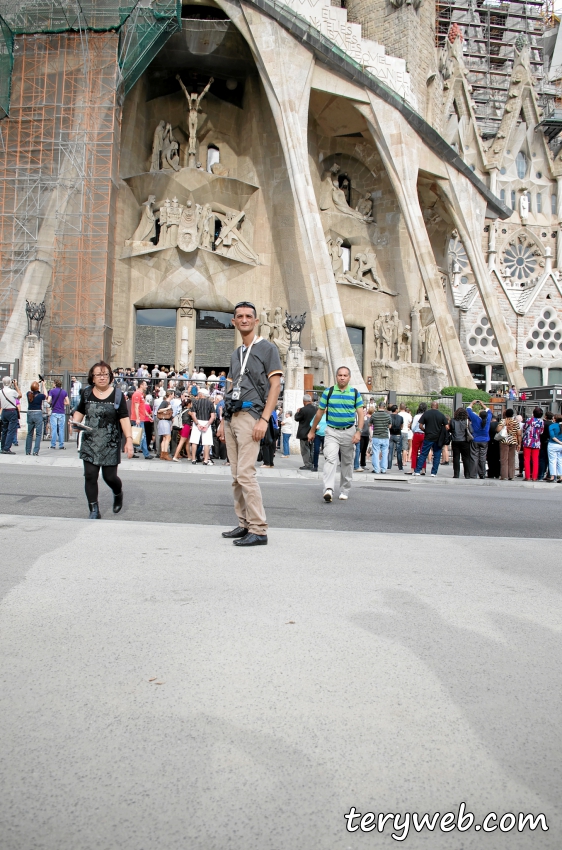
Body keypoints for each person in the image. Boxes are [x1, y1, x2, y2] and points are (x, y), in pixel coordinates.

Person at [217, 300, 282, 545]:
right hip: (232, 416)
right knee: (236, 475)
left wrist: (264, 419)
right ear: (234, 322)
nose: (244, 320)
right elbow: (231, 387)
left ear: (256, 321)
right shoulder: (237, 353)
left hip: (252, 415)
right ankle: (244, 524)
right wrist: (223, 419)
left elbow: (275, 385)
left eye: (248, 316)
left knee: (246, 473)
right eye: (239, 316)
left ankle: (259, 529)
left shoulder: (267, 349)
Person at [72, 361, 134, 518]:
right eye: (98, 375)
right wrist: (74, 423)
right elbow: (80, 411)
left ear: (110, 377)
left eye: (105, 374)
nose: (102, 378)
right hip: (90, 441)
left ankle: (117, 492)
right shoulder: (86, 393)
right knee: (90, 475)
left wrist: (129, 439)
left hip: (110, 442)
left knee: (109, 477)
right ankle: (94, 509)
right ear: (92, 378)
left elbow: (124, 418)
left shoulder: (117, 394)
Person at [308, 366, 364, 502]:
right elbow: (320, 412)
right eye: (340, 375)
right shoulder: (329, 392)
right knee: (330, 459)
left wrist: (358, 432)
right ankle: (328, 489)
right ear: (336, 377)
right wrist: (312, 430)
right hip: (331, 431)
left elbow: (361, 413)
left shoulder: (355, 393)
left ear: (349, 377)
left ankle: (345, 489)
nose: (342, 377)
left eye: (345, 375)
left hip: (349, 431)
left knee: (347, 462)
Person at [413, 401, 449, 478]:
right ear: (437, 406)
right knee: (437, 455)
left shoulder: (426, 414)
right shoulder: (441, 415)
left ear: (431, 406)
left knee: (423, 454)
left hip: (428, 437)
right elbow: (447, 427)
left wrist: (425, 431)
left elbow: (420, 425)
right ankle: (434, 473)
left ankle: (417, 471)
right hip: (438, 438)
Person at [190, 386, 216, 465]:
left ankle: (193, 459)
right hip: (206, 422)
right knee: (207, 442)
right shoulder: (210, 403)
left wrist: (197, 424)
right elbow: (213, 416)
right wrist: (207, 425)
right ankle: (205, 460)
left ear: (201, 394)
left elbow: (193, 414)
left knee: (194, 441)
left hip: (197, 422)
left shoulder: (195, 403)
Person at [467, 400, 492, 479]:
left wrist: (472, 403)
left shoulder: (475, 419)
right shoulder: (488, 419)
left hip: (475, 440)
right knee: (482, 457)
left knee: (474, 457)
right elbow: (489, 411)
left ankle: (473, 474)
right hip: (485, 440)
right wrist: (483, 404)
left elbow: (468, 410)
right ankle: (482, 474)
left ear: (479, 415)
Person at [131, 380, 154, 460]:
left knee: (140, 436)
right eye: (145, 385)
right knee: (141, 436)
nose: (146, 386)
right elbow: (136, 407)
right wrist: (137, 418)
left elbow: (142, 408)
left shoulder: (140, 394)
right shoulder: (137, 394)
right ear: (141, 385)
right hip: (138, 419)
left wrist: (148, 416)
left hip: (140, 418)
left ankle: (144, 453)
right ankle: (144, 453)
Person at [496, 408, 521, 480]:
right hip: (513, 441)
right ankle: (511, 475)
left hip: (504, 441)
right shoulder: (516, 422)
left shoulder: (503, 421)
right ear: (513, 414)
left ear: (506, 414)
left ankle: (504, 475)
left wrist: (504, 426)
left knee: (504, 459)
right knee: (511, 459)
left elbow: (498, 430)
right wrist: (519, 444)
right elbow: (519, 434)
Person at [295, 394, 317, 470]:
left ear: (304, 401)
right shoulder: (315, 409)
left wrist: (297, 412)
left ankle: (307, 464)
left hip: (303, 432)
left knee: (305, 449)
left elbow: (297, 418)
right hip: (312, 431)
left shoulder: (303, 409)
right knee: (311, 448)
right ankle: (311, 462)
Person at [0, 375, 22, 454]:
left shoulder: (1, 391)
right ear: (10, 383)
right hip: (12, 411)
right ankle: (7, 448)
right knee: (11, 430)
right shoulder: (12, 391)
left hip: (4, 412)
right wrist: (16, 385)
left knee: (4, 430)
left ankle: (2, 447)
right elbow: (20, 395)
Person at [522, 407, 544, 481]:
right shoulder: (541, 422)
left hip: (527, 441)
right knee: (535, 460)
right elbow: (541, 432)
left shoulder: (529, 420)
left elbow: (524, 428)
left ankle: (527, 476)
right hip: (536, 442)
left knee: (527, 459)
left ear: (533, 413)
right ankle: (534, 477)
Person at [449, 407, 472, 479]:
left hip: (455, 440)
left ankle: (456, 474)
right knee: (466, 458)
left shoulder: (453, 420)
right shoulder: (467, 421)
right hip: (465, 441)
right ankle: (467, 474)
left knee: (456, 458)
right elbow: (471, 430)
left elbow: (451, 429)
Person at [26, 379, 47, 455]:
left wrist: (36, 383)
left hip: (30, 413)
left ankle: (28, 451)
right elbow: (46, 395)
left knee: (29, 433)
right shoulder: (40, 396)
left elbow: (31, 390)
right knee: (38, 434)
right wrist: (43, 385)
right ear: (38, 388)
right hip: (38, 413)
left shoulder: (28, 394)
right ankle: (35, 451)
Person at [370, 402, 391, 474]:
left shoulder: (374, 415)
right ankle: (383, 469)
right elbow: (390, 426)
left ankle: (376, 469)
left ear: (378, 406)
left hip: (376, 436)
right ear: (384, 407)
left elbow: (370, 424)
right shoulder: (388, 416)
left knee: (375, 453)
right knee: (385, 453)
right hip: (385, 436)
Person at [48, 379, 69, 449]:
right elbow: (68, 402)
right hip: (62, 412)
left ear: (55, 384)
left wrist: (52, 403)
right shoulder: (64, 392)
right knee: (61, 429)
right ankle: (61, 445)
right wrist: (63, 403)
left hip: (54, 412)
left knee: (54, 429)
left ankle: (53, 445)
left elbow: (48, 401)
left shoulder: (52, 391)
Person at [172, 398, 193, 462]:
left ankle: (189, 456)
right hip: (186, 426)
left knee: (187, 442)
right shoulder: (189, 411)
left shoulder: (182, 410)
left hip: (181, 426)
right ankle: (175, 456)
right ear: (189, 404)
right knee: (182, 442)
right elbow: (194, 417)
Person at [157, 389, 174, 460]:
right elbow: (159, 410)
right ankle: (165, 453)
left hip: (164, 421)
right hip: (165, 421)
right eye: (173, 394)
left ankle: (163, 453)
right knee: (168, 437)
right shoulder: (165, 402)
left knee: (164, 438)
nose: (174, 395)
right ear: (170, 395)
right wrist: (168, 408)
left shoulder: (167, 402)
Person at [410, 402, 427, 474]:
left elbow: (413, 427)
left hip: (417, 434)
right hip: (424, 434)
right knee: (423, 452)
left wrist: (415, 431)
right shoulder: (426, 416)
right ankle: (423, 469)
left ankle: (413, 469)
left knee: (414, 452)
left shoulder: (416, 416)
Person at [387, 404, 404, 471]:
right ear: (396, 410)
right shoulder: (400, 417)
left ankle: (389, 466)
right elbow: (402, 426)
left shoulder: (389, 416)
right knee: (399, 452)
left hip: (391, 434)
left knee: (390, 451)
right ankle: (400, 466)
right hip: (398, 434)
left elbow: (388, 425)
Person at [539, 410, 554, 480]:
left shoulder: (543, 423)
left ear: (545, 416)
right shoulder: (553, 424)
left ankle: (541, 475)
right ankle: (549, 475)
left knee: (542, 459)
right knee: (550, 460)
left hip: (542, 442)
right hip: (551, 442)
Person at [547, 414, 562, 483]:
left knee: (552, 461)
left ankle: (553, 476)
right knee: (560, 461)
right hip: (561, 446)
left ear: (555, 419)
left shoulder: (552, 426)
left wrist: (559, 442)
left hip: (553, 445)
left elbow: (552, 436)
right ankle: (561, 476)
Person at [487, 413, 501, 479]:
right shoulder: (499, 424)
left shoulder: (489, 425)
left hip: (490, 443)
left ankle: (491, 473)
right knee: (497, 459)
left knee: (490, 459)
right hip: (498, 443)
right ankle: (497, 473)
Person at [358, 406, 372, 471]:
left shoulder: (368, 418)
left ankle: (363, 464)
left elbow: (369, 427)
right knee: (359, 450)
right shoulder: (359, 418)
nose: (364, 412)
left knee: (364, 450)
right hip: (361, 435)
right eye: (363, 411)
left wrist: (370, 436)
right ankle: (357, 464)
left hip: (366, 435)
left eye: (365, 411)